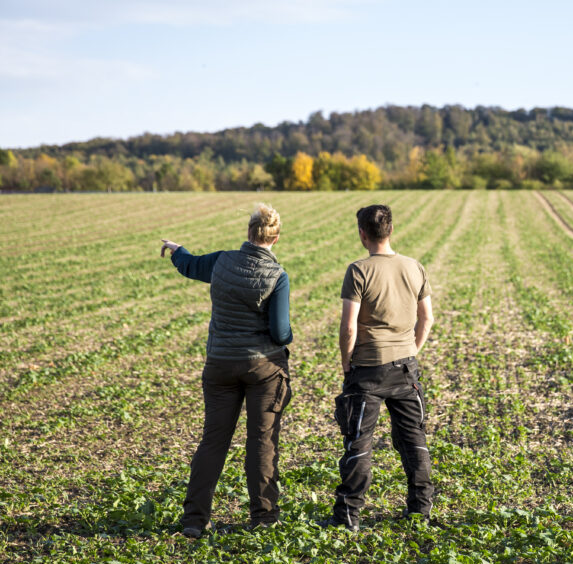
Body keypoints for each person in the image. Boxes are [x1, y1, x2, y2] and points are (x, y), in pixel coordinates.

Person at [160, 203, 292, 538]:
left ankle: (194, 519)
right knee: (261, 442)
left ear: (249, 232)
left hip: (219, 364)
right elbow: (280, 332)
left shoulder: (222, 261)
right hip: (262, 368)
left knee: (213, 441)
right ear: (276, 238)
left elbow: (190, 265)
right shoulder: (277, 276)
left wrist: (177, 250)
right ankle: (263, 517)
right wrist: (288, 336)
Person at [320, 204, 435, 532]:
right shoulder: (415, 267)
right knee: (414, 440)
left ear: (362, 234)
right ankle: (420, 512)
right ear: (391, 230)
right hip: (405, 369)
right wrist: (412, 350)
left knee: (358, 443)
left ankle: (348, 518)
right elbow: (427, 318)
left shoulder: (358, 270)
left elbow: (349, 327)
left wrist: (347, 363)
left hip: (367, 370)